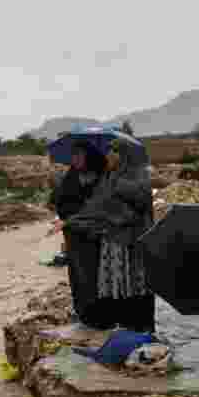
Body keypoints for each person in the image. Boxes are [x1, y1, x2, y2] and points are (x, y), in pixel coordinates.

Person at [50, 138, 156, 333]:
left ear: (125, 155)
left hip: (133, 243)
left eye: (114, 152)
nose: (109, 155)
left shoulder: (138, 176)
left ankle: (142, 329)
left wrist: (116, 193)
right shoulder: (108, 178)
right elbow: (95, 207)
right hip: (111, 242)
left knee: (136, 285)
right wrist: (69, 221)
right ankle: (122, 327)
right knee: (117, 283)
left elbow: (136, 207)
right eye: (109, 151)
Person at [47, 142, 113, 328]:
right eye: (73, 155)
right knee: (80, 275)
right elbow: (58, 203)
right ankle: (85, 314)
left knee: (100, 274)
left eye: (79, 155)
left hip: (99, 236)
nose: (74, 159)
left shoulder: (104, 175)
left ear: (89, 156)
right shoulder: (70, 177)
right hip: (76, 237)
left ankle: (105, 316)